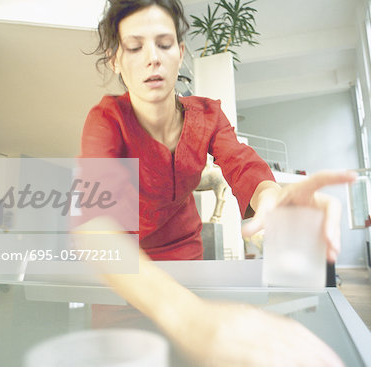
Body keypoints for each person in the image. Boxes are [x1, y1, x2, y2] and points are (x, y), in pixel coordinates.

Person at [76, 0, 355, 365]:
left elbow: (240, 162)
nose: (152, 58)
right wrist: (193, 321)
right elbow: (96, 225)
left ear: (181, 52)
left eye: (164, 43)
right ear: (115, 59)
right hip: (128, 277)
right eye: (134, 47)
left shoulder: (208, 114)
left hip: (190, 269)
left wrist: (271, 195)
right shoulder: (106, 121)